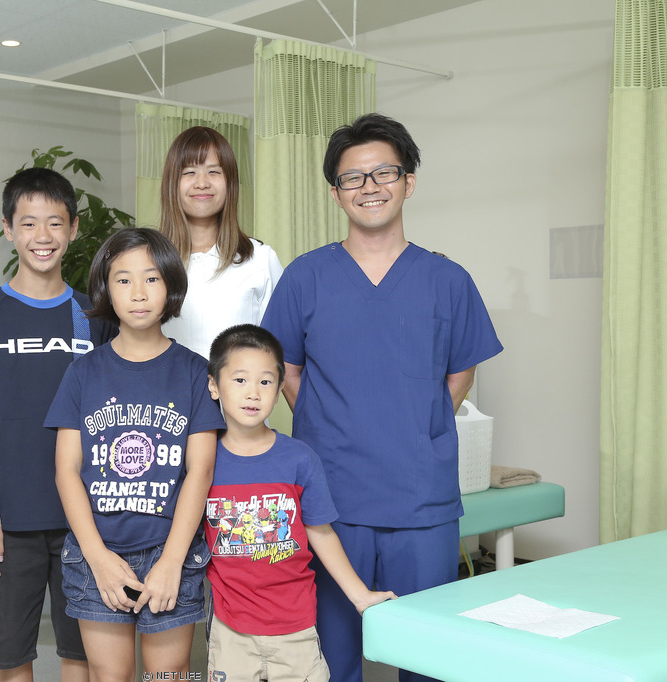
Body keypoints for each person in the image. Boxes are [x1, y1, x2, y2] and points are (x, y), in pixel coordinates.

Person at [261, 113, 504, 682]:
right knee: (332, 656)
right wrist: (328, 426)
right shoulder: (305, 277)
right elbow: (285, 370)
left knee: (425, 656)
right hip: (331, 501)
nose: (369, 187)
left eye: (384, 173)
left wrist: (416, 429)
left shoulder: (447, 280)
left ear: (408, 182)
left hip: (421, 502)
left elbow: (460, 373)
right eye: (353, 178)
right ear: (335, 192)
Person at [45, 228, 225, 681]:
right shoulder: (82, 373)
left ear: (170, 286)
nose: (138, 293)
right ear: (106, 289)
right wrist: (97, 558)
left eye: (151, 278)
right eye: (123, 280)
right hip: (97, 550)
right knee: (110, 674)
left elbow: (200, 471)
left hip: (171, 548)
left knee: (170, 673)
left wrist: (172, 561)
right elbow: (66, 471)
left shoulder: (195, 372)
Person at [0, 167, 115, 682]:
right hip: (11, 519)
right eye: (28, 223)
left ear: (74, 228)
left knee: (81, 652)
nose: (42, 235)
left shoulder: (96, 316)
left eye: (55, 222)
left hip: (86, 518)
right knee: (11, 655)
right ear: (8, 229)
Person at [203, 324, 396, 682]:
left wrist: (360, 596)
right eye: (240, 380)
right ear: (214, 385)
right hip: (230, 629)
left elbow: (321, 532)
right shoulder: (203, 459)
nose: (253, 392)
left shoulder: (300, 459)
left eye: (265, 382)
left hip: (296, 627)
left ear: (279, 389)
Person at [158, 126, 283, 358]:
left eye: (214, 172)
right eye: (189, 172)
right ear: (171, 183)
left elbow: (281, 349)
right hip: (166, 383)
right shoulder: (150, 260)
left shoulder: (261, 259)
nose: (202, 183)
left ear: (230, 182)